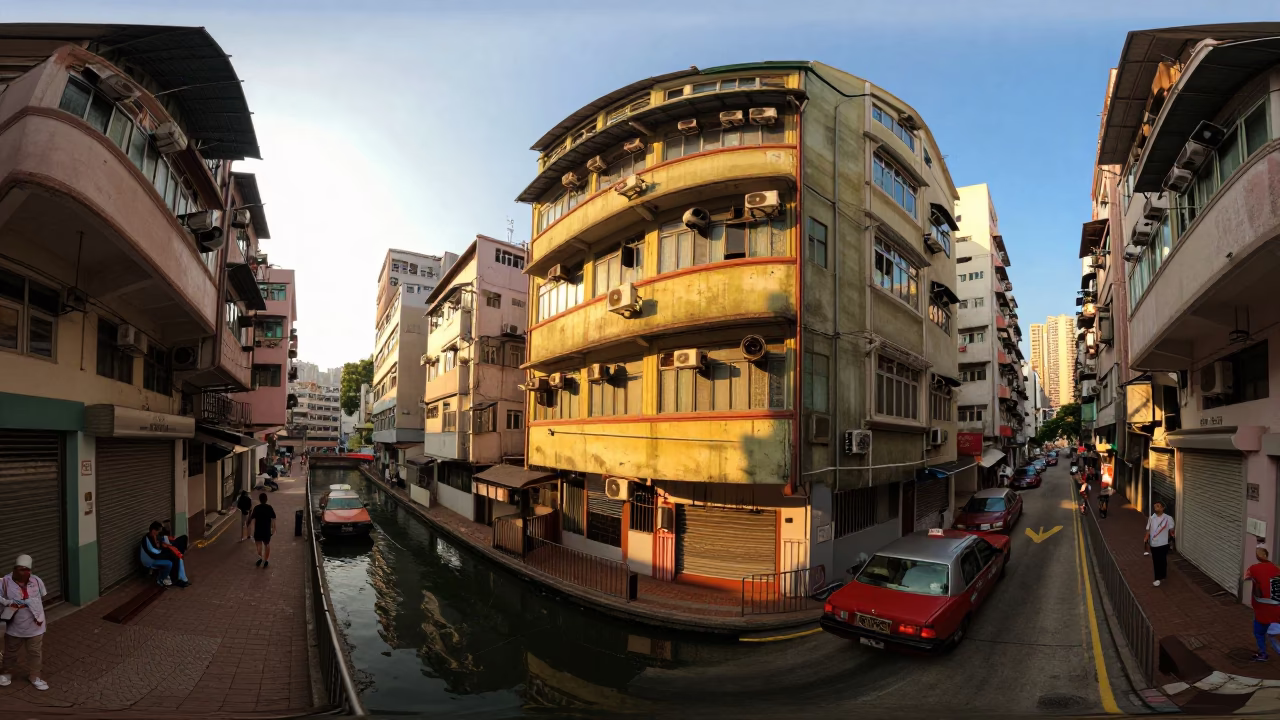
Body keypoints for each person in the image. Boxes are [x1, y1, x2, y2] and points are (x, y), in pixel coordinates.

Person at [0, 555, 48, 691]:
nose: (24, 572)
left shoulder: (37, 581)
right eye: (20, 569)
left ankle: (35, 676)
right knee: (10, 652)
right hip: (14, 626)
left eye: (26, 570)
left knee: (35, 653)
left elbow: (42, 597)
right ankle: (6, 673)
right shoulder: (4, 582)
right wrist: (8, 602)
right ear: (14, 569)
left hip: (35, 626)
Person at [1246, 546, 1280, 662]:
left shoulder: (1254, 568)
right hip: (1277, 610)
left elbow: (1246, 577)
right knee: (1274, 634)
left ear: (1258, 556)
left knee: (1259, 633)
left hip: (1262, 610)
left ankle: (1263, 654)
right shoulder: (1277, 569)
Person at [139, 522, 189, 587]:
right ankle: (173, 579)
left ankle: (178, 578)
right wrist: (164, 551)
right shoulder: (146, 539)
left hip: (158, 553)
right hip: (152, 558)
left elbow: (162, 541)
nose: (158, 533)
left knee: (176, 554)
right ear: (153, 531)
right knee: (172, 558)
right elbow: (153, 552)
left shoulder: (156, 536)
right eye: (158, 531)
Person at [1144, 501, 1175, 587]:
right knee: (1156, 561)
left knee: (1163, 560)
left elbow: (1171, 530)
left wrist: (1172, 539)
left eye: (1158, 506)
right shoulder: (1151, 518)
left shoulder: (1168, 518)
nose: (1156, 508)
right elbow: (1148, 529)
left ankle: (1163, 574)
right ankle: (1157, 578)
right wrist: (1146, 538)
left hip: (1164, 543)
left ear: (1162, 508)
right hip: (1153, 543)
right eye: (1155, 506)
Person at [248, 492, 277, 568]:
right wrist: (274, 528)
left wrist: (251, 528)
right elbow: (273, 518)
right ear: (266, 499)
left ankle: (260, 557)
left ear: (259, 500)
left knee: (258, 544)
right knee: (267, 544)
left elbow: (252, 519)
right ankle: (266, 560)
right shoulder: (269, 507)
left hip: (258, 529)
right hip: (267, 529)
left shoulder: (257, 508)